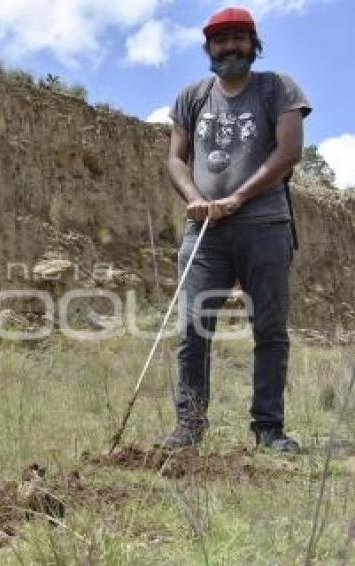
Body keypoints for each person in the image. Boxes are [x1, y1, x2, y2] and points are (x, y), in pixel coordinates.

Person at [163, 7, 310, 452]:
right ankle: (190, 426)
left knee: (268, 328)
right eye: (220, 39)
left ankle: (268, 429)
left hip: (264, 224)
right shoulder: (193, 96)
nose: (229, 46)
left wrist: (238, 198)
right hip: (205, 232)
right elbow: (175, 158)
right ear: (208, 47)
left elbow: (288, 152)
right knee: (192, 327)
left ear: (253, 43)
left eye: (238, 38)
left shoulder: (277, 88)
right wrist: (193, 197)